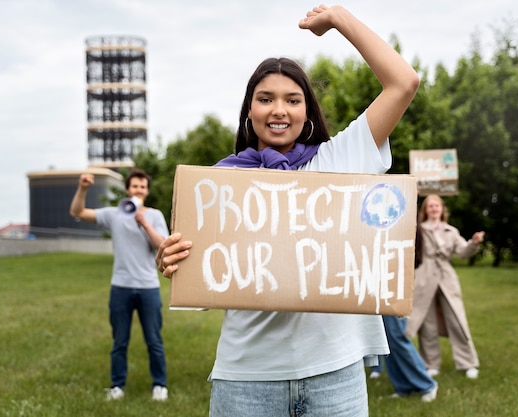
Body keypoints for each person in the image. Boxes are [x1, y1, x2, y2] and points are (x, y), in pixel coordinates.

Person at [156, 4, 420, 416]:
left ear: (306, 112)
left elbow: (403, 83)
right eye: (266, 99)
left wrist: (338, 19)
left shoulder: (339, 161)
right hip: (246, 379)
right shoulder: (220, 186)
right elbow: (206, 281)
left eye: (292, 100)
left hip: (335, 374)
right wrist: (173, 260)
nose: (279, 110)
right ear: (250, 110)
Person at [69, 169, 170, 401]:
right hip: (120, 287)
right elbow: (77, 212)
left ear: (147, 191)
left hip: (148, 287)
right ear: (127, 190)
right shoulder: (114, 214)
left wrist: (144, 223)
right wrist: (83, 188)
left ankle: (160, 385)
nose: (138, 190)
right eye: (134, 186)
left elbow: (162, 245)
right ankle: (117, 386)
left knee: (154, 340)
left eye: (142, 187)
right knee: (120, 341)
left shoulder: (154, 215)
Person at [406, 194, 485, 379]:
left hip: (446, 279)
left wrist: (473, 244)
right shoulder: (418, 230)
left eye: (437, 205)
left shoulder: (451, 231)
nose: (434, 208)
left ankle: (468, 363)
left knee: (457, 320)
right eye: (430, 206)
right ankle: (430, 363)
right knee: (427, 324)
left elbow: (463, 252)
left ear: (442, 209)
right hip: (424, 279)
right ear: (425, 210)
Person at [369, 225, 438, 402]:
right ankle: (403, 387)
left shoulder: (403, 215)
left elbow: (415, 251)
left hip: (395, 277)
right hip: (379, 277)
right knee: (387, 338)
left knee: (397, 335)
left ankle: (426, 384)